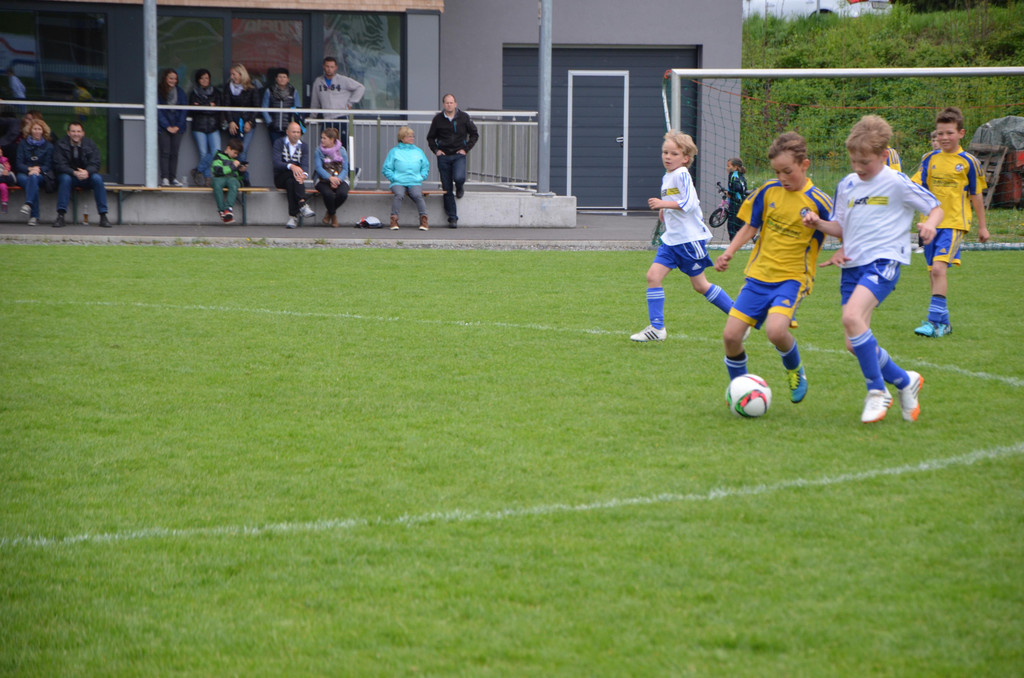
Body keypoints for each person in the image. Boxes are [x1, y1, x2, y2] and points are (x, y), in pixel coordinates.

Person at [803, 115, 943, 423]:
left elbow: (935, 207)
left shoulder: (896, 182)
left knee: (851, 317)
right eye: (853, 160)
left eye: (864, 161)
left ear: (883, 155)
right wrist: (818, 223)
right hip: (852, 267)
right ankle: (905, 381)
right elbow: (840, 228)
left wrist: (930, 224)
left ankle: (877, 392)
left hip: (884, 261)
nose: (858, 167)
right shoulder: (847, 184)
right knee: (853, 343)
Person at [713, 132, 838, 403]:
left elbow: (843, 229)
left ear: (804, 165)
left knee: (776, 331)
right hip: (758, 276)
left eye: (787, 171)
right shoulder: (768, 191)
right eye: (777, 172)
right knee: (731, 336)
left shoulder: (819, 200)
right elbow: (750, 226)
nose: (782, 177)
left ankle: (795, 370)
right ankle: (740, 390)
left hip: (793, 279)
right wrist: (728, 252)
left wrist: (819, 224)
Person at [630, 130, 733, 342]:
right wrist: (664, 209)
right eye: (665, 152)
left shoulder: (682, 174)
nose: (668, 157)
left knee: (700, 285)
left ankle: (739, 317)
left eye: (674, 153)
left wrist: (662, 203)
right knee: (653, 277)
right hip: (672, 240)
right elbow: (675, 199)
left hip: (688, 240)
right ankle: (657, 328)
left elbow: (690, 203)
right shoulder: (668, 176)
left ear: (686, 158)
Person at [911, 106, 990, 338]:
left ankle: (934, 322)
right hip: (928, 224)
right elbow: (915, 188)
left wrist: (982, 226)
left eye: (949, 133)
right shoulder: (929, 159)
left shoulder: (968, 162)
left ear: (961, 133)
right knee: (933, 272)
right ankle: (943, 323)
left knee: (938, 268)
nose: (944, 137)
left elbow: (976, 195)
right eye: (940, 133)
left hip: (955, 223)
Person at [426, 93, 479, 228]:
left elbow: (474, 134)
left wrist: (466, 149)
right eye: (447, 103)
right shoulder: (438, 119)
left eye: (451, 102)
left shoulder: (464, 117)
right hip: (443, 156)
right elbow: (430, 137)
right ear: (443, 104)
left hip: (459, 154)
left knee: (459, 177)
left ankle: (460, 187)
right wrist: (436, 150)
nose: (449, 105)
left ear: (455, 104)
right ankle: (452, 218)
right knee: (447, 188)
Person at [52, 121, 111, 228]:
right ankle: (61, 216)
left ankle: (103, 216)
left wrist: (87, 172)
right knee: (65, 179)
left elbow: (96, 163)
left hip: (86, 176)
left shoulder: (90, 144)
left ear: (83, 133)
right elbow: (59, 165)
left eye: (78, 131)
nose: (76, 134)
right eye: (73, 131)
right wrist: (74, 172)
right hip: (69, 176)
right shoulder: (60, 145)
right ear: (68, 133)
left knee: (97, 179)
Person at [382, 126, 430, 231]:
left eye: (413, 136)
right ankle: (394, 220)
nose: (412, 138)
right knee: (399, 194)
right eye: (409, 136)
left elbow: (425, 166)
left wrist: (422, 176)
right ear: (402, 138)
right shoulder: (394, 151)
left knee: (417, 195)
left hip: (414, 181)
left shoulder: (418, 151)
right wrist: (394, 178)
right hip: (398, 181)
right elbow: (386, 168)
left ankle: (424, 220)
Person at [272, 121, 315, 229]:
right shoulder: (279, 143)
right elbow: (276, 163)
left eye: (298, 132)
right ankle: (302, 204)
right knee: (293, 174)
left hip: (295, 179)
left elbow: (305, 164)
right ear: (287, 132)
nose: (296, 134)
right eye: (293, 132)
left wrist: (304, 175)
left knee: (291, 182)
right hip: (280, 177)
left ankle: (293, 217)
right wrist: (291, 166)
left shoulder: (304, 146)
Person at [221, 64, 260, 185]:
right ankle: (236, 178)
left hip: (247, 124)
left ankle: (243, 178)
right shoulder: (228, 87)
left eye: (234, 74)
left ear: (241, 74)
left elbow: (256, 107)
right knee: (234, 152)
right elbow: (226, 105)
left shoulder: (251, 88)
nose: (232, 77)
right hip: (234, 124)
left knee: (242, 152)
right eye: (231, 74)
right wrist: (230, 121)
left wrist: (250, 122)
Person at [309, 56, 365, 138]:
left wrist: (350, 103)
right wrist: (312, 117)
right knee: (326, 142)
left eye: (332, 67)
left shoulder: (343, 80)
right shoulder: (318, 82)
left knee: (342, 142)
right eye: (327, 66)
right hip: (327, 118)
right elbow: (315, 101)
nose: (329, 69)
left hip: (341, 116)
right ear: (323, 66)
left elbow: (360, 88)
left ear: (336, 68)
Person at [15, 119, 54, 226]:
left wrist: (38, 169)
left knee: (34, 179)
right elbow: (19, 164)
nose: (37, 131)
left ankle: (29, 204)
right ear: (30, 130)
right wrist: (29, 169)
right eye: (35, 129)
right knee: (33, 184)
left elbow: (48, 165)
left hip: (41, 174)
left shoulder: (49, 146)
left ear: (43, 131)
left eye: (39, 129)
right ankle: (34, 216)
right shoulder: (23, 144)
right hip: (24, 173)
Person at [189, 69, 221, 187]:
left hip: (213, 126)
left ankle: (197, 170)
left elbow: (217, 109)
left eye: (206, 78)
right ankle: (208, 178)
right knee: (203, 153)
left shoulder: (216, 92)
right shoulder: (194, 93)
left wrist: (202, 106)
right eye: (202, 78)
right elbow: (193, 111)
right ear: (198, 80)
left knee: (216, 152)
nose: (204, 80)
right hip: (198, 126)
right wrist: (208, 105)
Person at [313, 127, 350, 227]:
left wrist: (338, 180)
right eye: (321, 138)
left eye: (324, 138)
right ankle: (333, 215)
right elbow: (318, 168)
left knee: (342, 194)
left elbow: (345, 169)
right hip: (322, 179)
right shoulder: (318, 151)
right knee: (328, 194)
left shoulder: (342, 150)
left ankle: (329, 213)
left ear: (332, 140)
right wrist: (330, 178)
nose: (322, 140)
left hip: (340, 178)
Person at [157, 68, 187, 186]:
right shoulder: (158, 91)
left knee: (174, 153)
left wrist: (178, 126)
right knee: (165, 152)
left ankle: (172, 178)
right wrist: (167, 126)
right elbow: (158, 110)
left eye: (175, 79)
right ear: (165, 78)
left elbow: (184, 110)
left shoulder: (180, 92)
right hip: (163, 127)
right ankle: (165, 178)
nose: (173, 81)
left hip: (178, 128)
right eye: (170, 78)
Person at [262, 67, 302, 148]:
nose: (282, 79)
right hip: (274, 127)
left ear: (288, 79)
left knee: (288, 149)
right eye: (280, 77)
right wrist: (269, 122)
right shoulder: (269, 91)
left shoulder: (293, 92)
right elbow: (264, 108)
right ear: (276, 79)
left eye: (284, 77)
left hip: (288, 128)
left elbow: (298, 109)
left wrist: (295, 124)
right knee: (276, 149)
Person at [210, 137, 245, 223]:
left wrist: (241, 171)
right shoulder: (218, 156)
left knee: (233, 183)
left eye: (237, 154)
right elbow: (218, 171)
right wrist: (232, 167)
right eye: (235, 153)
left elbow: (238, 177)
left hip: (231, 179)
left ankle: (228, 208)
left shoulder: (235, 160)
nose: (236, 155)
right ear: (228, 148)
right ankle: (222, 210)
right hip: (219, 178)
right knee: (217, 184)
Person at [725, 156, 747, 241]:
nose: (727, 168)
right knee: (739, 225)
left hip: (736, 204)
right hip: (742, 203)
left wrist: (730, 193)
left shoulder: (733, 176)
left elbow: (737, 187)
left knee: (731, 226)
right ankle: (752, 236)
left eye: (729, 166)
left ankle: (733, 244)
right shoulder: (740, 175)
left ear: (735, 167)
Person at [0, 144, 12, 213]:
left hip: (2, 178)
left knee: (3, 187)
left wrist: (6, 170)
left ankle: (4, 203)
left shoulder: (4, 160)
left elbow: (7, 166)